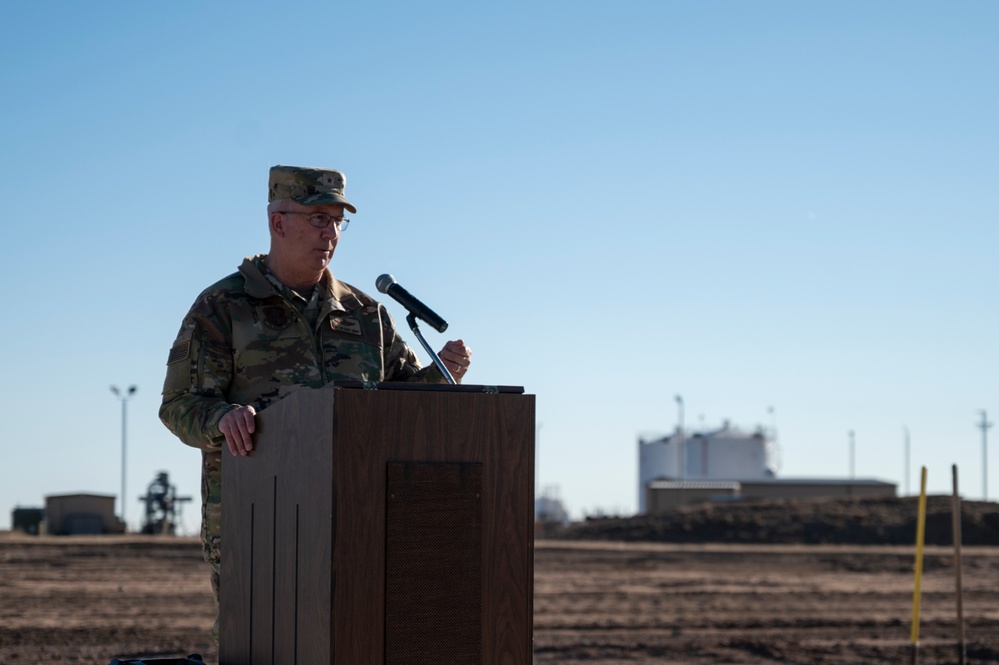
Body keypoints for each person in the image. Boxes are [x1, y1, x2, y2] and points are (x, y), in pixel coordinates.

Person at [158, 164, 472, 642]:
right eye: (318, 219)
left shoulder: (366, 315)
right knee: (264, 645)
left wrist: (443, 375)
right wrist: (223, 418)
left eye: (338, 222)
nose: (331, 234)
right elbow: (180, 404)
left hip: (361, 524)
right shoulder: (223, 307)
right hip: (258, 522)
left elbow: (405, 401)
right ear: (278, 222)